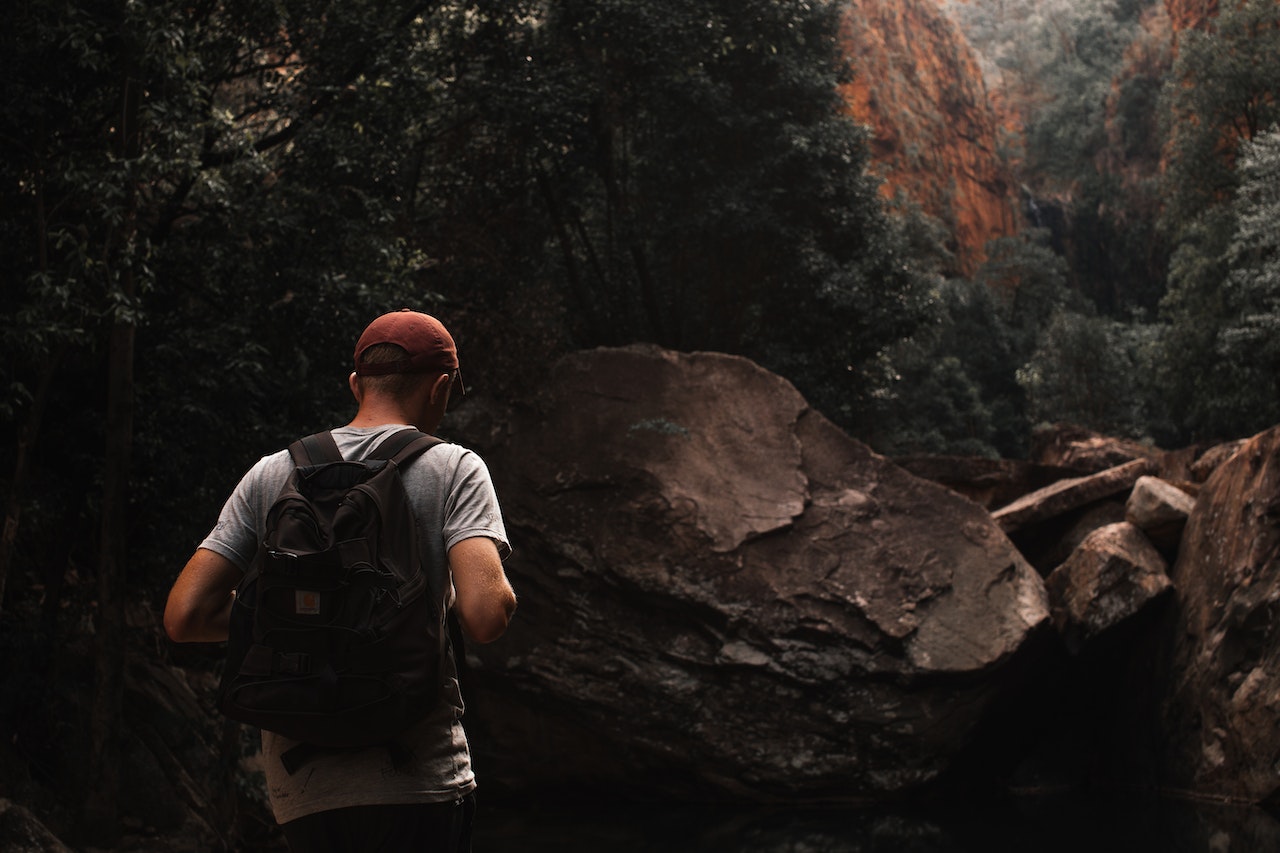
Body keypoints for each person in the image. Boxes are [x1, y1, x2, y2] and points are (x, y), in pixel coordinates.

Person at [164, 309, 517, 852]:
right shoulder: (454, 468)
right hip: (417, 780)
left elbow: (185, 617)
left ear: (356, 383)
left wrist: (290, 616)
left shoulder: (272, 473)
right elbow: (487, 616)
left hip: (303, 788)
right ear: (441, 387)